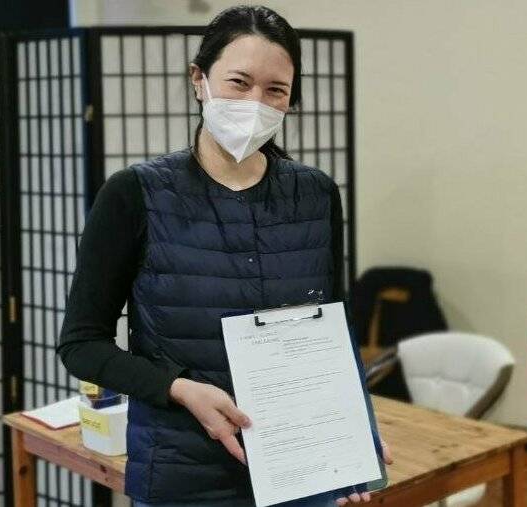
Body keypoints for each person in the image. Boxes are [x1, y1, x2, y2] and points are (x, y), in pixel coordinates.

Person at [58, 6, 390, 506]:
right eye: (239, 82)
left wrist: (355, 438)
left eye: (275, 90)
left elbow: (331, 332)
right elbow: (81, 344)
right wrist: (179, 388)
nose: (255, 102)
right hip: (184, 472)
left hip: (301, 465)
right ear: (200, 80)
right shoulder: (135, 194)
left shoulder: (315, 194)